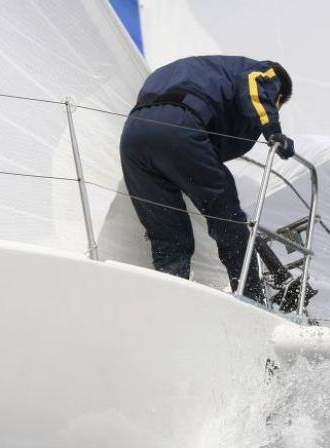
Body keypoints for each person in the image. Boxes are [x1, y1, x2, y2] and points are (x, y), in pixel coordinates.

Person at [120, 56, 295, 303]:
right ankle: (253, 300)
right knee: (228, 220)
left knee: (168, 237)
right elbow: (257, 85)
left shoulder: (192, 72)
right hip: (180, 127)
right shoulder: (265, 72)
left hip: (133, 136)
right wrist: (274, 131)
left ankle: (170, 302)